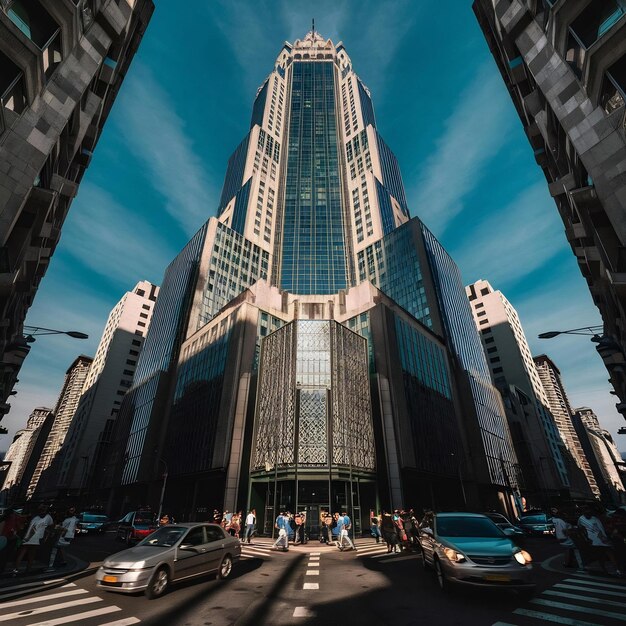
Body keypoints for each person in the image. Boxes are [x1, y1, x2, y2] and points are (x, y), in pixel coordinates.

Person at [578, 506, 622, 576]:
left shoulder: (595, 519)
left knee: (608, 554)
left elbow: (600, 530)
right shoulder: (581, 519)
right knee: (602, 556)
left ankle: (616, 570)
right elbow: (581, 528)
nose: (587, 514)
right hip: (595, 541)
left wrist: (604, 538)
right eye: (586, 512)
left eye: (589, 512)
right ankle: (607, 570)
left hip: (601, 540)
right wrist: (586, 538)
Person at [13, 505, 54, 575]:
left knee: (21, 553)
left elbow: (27, 526)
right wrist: (46, 531)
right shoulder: (48, 517)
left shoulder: (34, 517)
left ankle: (16, 570)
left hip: (27, 538)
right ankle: (28, 570)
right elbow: (51, 525)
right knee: (31, 556)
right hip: (36, 539)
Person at [47, 506, 79, 572]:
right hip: (66, 536)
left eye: (72, 510)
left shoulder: (71, 519)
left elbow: (67, 529)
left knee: (54, 549)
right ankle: (63, 560)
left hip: (64, 536)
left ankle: (50, 566)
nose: (71, 511)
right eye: (70, 510)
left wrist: (57, 527)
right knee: (59, 548)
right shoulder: (73, 519)